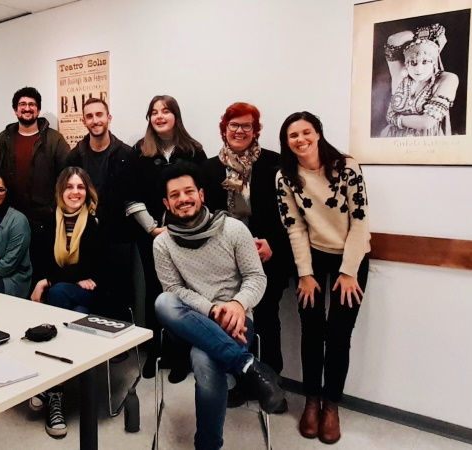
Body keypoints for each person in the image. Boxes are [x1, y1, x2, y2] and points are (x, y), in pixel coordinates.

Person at [153, 162, 284, 450]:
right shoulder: (162, 244)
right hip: (191, 320)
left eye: (189, 191)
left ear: (201, 195)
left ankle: (207, 445)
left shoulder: (233, 230)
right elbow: (174, 290)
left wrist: (237, 304)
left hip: (238, 321)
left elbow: (255, 277)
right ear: (166, 203)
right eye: (175, 195)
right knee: (164, 302)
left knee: (204, 358)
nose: (183, 199)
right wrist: (212, 310)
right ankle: (247, 364)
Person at [275, 111, 371, 444]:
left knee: (339, 334)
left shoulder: (346, 167)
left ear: (318, 133)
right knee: (312, 332)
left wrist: (348, 272)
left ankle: (332, 406)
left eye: (306, 132)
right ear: (286, 142)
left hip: (351, 257)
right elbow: (295, 228)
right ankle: (311, 402)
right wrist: (305, 274)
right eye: (292, 136)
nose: (300, 140)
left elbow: (359, 222)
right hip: (312, 259)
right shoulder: (285, 176)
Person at [199, 102, 294, 411]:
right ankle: (243, 381)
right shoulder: (210, 168)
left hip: (269, 256)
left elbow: (291, 215)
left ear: (256, 131)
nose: (240, 131)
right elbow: (208, 216)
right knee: (238, 321)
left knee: (267, 318)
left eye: (247, 126)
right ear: (224, 129)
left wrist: (273, 245)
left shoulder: (275, 164)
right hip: (228, 261)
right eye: (234, 125)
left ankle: (272, 383)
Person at [128, 95, 207, 378]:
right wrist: (152, 228)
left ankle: (181, 354)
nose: (159, 116)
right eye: (153, 112)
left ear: (176, 115)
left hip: (187, 234)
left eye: (166, 111)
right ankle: (156, 351)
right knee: (154, 291)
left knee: (184, 293)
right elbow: (131, 195)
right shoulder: (139, 151)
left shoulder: (194, 151)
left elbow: (200, 195)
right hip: (150, 234)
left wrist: (180, 228)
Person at [29, 166, 101, 439]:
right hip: (71, 300)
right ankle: (59, 391)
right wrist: (65, 276)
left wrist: (48, 279)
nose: (75, 192)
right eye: (69, 187)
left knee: (59, 291)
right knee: (76, 314)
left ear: (87, 191)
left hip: (89, 292)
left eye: (80, 187)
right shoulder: (47, 220)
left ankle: (51, 389)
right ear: (60, 191)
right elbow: (42, 260)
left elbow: (93, 269)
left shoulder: (93, 223)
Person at [65, 97, 137, 320]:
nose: (95, 120)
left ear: (109, 118)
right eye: (89, 116)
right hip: (85, 236)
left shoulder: (126, 155)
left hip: (119, 236)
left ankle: (122, 346)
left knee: (119, 294)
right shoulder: (74, 156)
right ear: (83, 121)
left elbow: (134, 196)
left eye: (99, 115)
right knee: (91, 292)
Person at [0, 87, 70, 282]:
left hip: (44, 217)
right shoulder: (4, 138)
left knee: (41, 268)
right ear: (16, 110)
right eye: (22, 104)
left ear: (38, 110)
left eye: (32, 105)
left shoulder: (53, 139)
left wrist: (54, 208)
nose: (27, 108)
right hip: (11, 215)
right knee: (12, 268)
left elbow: (66, 174)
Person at [382, 23, 458, 137]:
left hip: (426, 142)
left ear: (433, 62)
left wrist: (395, 119)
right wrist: (421, 34)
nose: (419, 68)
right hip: (393, 138)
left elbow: (427, 122)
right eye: (413, 62)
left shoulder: (447, 79)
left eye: (425, 62)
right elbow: (392, 41)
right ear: (406, 64)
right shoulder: (400, 76)